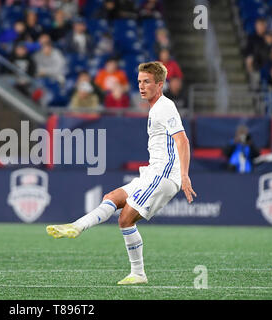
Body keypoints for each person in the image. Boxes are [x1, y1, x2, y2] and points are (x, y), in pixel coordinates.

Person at [47, 61, 197, 285]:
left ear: (160, 84)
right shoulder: (156, 108)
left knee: (126, 219)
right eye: (139, 82)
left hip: (164, 174)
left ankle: (138, 274)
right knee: (112, 198)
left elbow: (182, 140)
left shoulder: (165, 106)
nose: (141, 86)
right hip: (152, 172)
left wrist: (184, 175)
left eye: (147, 82)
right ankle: (77, 227)